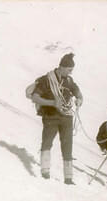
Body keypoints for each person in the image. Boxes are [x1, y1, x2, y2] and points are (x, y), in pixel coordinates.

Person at [31, 53, 83, 185]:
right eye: (69, 69)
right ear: (62, 67)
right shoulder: (47, 79)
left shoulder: (69, 80)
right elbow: (35, 97)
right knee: (47, 142)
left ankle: (68, 178)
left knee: (67, 145)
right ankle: (45, 172)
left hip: (66, 117)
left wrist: (79, 98)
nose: (71, 72)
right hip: (51, 116)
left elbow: (76, 90)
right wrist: (53, 103)